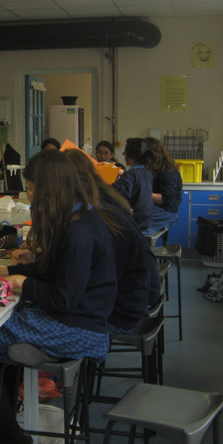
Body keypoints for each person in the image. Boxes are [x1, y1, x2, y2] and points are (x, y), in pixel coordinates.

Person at [0, 150, 117, 444]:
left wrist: (22, 282)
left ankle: (8, 429)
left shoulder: (78, 233)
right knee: (1, 333)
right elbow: (57, 270)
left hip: (80, 329)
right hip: (82, 319)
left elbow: (64, 298)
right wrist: (6, 270)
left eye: (32, 190)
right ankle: (6, 419)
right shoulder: (81, 216)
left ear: (50, 190)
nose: (29, 197)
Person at [64, 149, 160, 333]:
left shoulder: (94, 211)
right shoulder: (104, 196)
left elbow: (74, 283)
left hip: (124, 308)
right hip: (140, 292)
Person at [111, 137, 155, 232]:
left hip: (135, 223)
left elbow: (115, 192)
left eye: (124, 153)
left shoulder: (131, 175)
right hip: (146, 220)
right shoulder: (147, 173)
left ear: (128, 155)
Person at [146, 136, 183, 232]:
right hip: (156, 208)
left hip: (165, 211)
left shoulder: (167, 171)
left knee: (129, 224)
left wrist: (143, 193)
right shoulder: (154, 168)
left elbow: (166, 199)